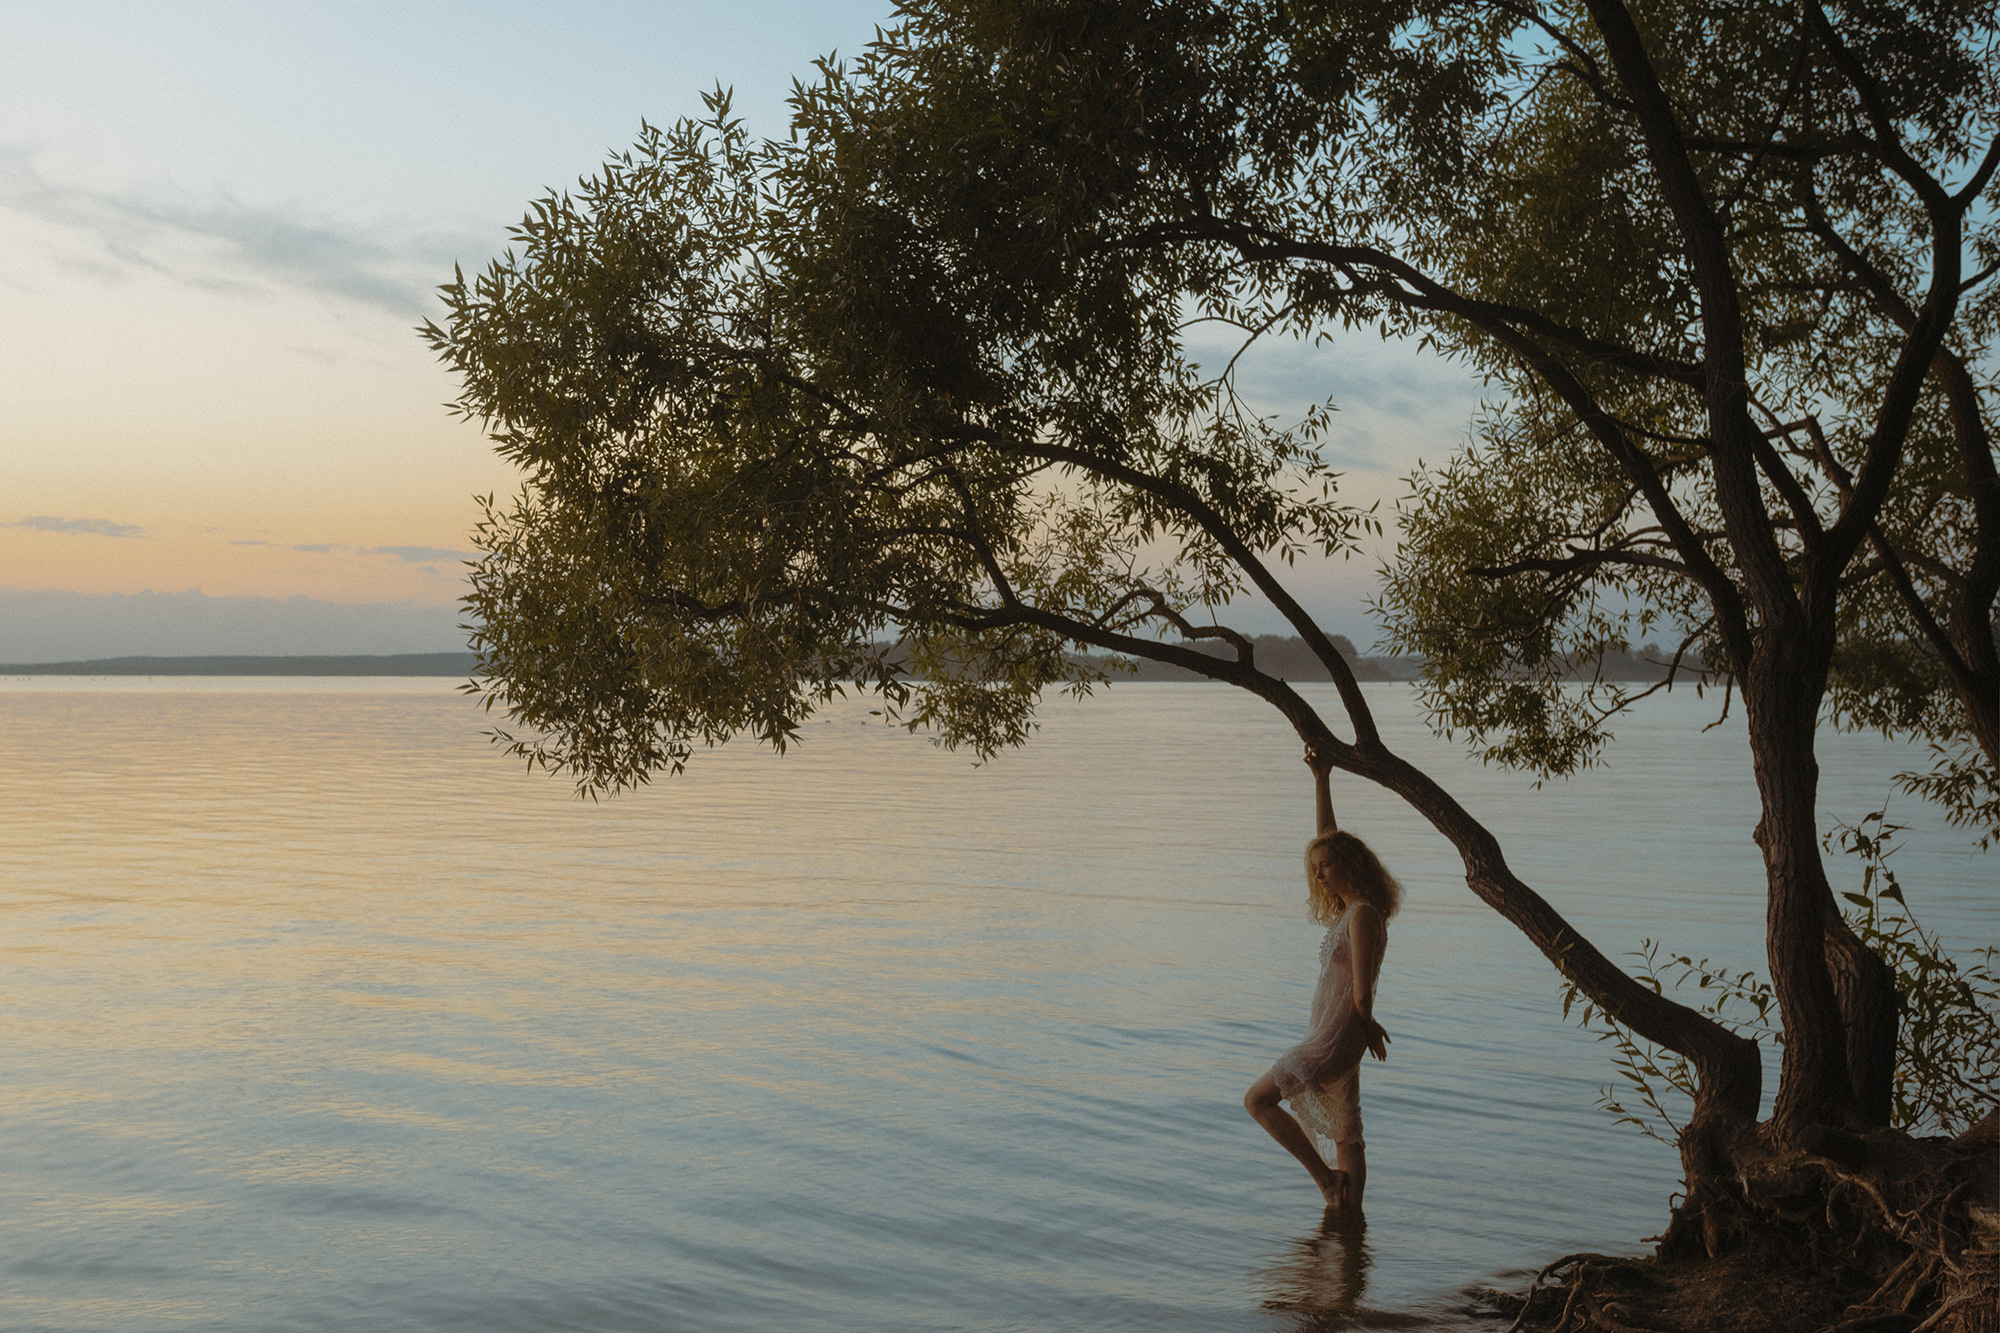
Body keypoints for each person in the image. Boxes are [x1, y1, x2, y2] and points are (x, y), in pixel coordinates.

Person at [1244, 743, 1399, 1211]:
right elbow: (1327, 839)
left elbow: (1363, 990)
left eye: (1325, 867)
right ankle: (1348, 1215)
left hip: (1335, 1036)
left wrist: (1368, 1024)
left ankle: (1328, 1182)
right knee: (1347, 1129)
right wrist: (1321, 778)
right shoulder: (1351, 909)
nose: (1319, 874)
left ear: (1349, 864)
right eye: (1316, 869)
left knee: (1257, 1101)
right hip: (1340, 1034)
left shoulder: (1363, 915)